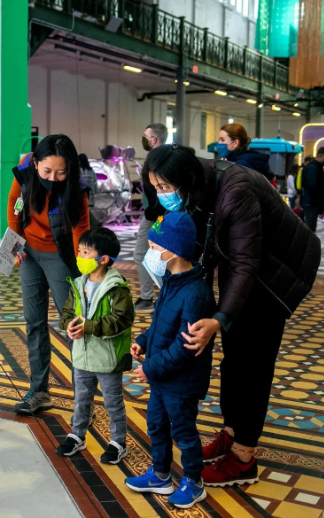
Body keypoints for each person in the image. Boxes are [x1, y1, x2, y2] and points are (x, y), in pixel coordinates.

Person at [141, 145, 320, 487]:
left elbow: (244, 263)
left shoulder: (235, 190)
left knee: (253, 363)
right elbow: (199, 248)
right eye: (157, 188)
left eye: (166, 188)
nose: (162, 195)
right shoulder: (195, 188)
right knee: (233, 360)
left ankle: (243, 457)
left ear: (187, 179)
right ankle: (231, 431)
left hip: (279, 274)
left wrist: (220, 318)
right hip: (247, 269)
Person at [124, 212, 216, 509]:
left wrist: (149, 368)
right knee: (157, 424)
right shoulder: (172, 281)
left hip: (182, 380)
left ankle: (194, 481)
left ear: (172, 250)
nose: (150, 253)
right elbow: (161, 324)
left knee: (183, 431)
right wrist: (142, 340)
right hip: (163, 377)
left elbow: (185, 347)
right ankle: (161, 474)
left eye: (153, 247)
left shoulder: (195, 293)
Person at [7, 134, 91, 415]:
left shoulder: (75, 188)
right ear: (36, 164)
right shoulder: (24, 172)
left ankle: (84, 399)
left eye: (61, 172)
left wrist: (85, 264)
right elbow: (16, 204)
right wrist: (15, 240)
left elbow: (81, 226)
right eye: (46, 171)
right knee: (34, 322)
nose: (53, 178)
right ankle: (39, 391)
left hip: (60, 255)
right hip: (29, 253)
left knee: (72, 325)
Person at [57, 227, 134, 464]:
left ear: (103, 259)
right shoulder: (78, 283)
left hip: (108, 359)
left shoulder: (117, 287)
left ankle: (118, 442)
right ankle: (77, 435)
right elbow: (68, 312)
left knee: (113, 402)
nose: (79, 257)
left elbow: (122, 319)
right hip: (82, 355)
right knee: (81, 399)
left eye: (85, 253)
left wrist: (90, 326)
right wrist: (68, 324)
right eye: (79, 251)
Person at [133, 123, 167, 312]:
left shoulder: (156, 159)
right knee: (161, 255)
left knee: (141, 254)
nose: (144, 140)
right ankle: (163, 296)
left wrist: (154, 212)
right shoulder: (166, 157)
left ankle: (149, 298)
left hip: (155, 215)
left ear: (153, 139)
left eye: (146, 136)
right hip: (159, 214)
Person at [301, 146, 324, 232]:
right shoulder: (314, 168)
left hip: (310, 202)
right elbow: (313, 187)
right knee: (310, 228)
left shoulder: (314, 167)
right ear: (319, 155)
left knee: (310, 227)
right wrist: (319, 204)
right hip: (311, 203)